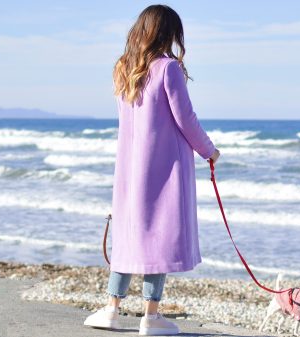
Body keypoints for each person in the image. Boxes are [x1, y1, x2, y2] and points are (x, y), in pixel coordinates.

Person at [83, 4, 221, 335]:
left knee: (130, 236)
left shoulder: (122, 68)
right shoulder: (168, 68)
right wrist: (209, 151)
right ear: (167, 33)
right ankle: (151, 315)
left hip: (131, 167)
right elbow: (185, 119)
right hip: (164, 167)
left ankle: (112, 309)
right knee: (157, 237)